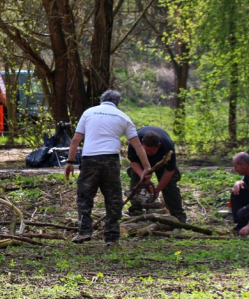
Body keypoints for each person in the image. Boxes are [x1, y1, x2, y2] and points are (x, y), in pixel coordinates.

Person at [64, 90, 151, 246]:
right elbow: (137, 145)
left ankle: (84, 231)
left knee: (84, 196)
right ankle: (111, 237)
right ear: (117, 103)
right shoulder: (123, 116)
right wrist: (147, 167)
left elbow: (76, 140)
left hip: (90, 159)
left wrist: (70, 162)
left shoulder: (89, 113)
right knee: (113, 199)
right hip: (111, 161)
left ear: (101, 100)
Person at [126, 126, 186, 222]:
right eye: (146, 151)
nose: (148, 153)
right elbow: (133, 162)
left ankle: (178, 214)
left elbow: (169, 171)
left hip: (162, 160)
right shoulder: (134, 142)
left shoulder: (167, 146)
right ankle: (135, 210)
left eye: (151, 151)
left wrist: (157, 190)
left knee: (170, 185)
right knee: (135, 180)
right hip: (140, 161)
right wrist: (143, 176)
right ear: (141, 144)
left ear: (158, 145)